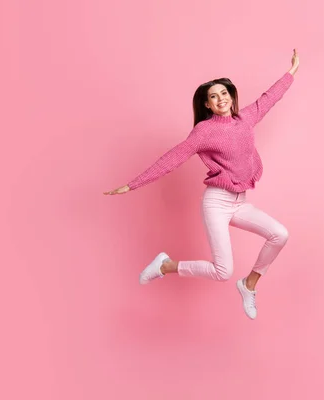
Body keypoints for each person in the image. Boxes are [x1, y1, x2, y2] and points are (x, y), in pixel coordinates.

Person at [104, 49, 300, 319]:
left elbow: (270, 98)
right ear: (207, 104)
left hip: (239, 202)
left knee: (280, 234)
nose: (220, 99)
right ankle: (165, 265)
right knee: (223, 271)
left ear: (231, 96)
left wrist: (291, 72)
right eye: (213, 96)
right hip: (217, 203)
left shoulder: (247, 118)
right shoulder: (204, 132)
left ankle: (249, 284)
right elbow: (173, 157)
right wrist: (132, 185)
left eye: (224, 93)